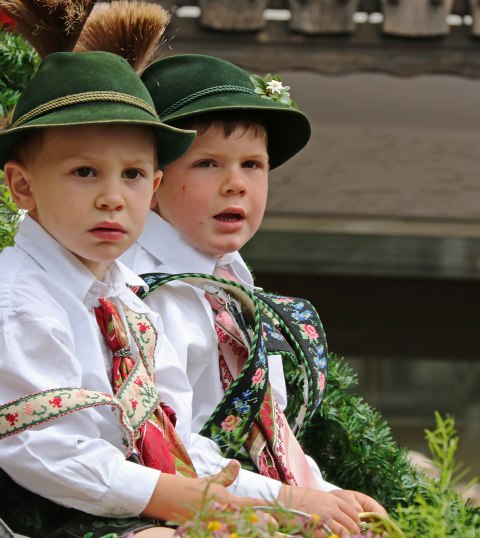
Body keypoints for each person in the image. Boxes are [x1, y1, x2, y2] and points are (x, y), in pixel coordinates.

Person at [119, 53, 387, 534]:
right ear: (151, 182)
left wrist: (328, 497)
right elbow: (165, 446)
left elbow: (268, 433)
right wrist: (296, 502)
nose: (236, 184)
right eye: (207, 163)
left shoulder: (234, 285)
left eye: (253, 165)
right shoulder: (136, 290)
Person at [0, 50, 260, 538]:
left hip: (125, 508)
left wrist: (289, 499)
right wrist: (180, 500)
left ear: (155, 186)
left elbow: (175, 438)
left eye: (133, 175)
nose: (113, 197)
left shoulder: (128, 303)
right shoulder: (16, 300)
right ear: (21, 185)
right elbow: (42, 450)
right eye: (85, 172)